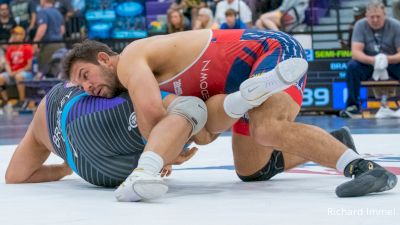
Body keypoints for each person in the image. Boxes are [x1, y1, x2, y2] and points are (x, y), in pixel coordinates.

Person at [63, 29, 397, 200]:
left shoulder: (132, 58)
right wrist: (178, 143)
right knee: (251, 169)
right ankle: (331, 141)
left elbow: (151, 115)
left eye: (84, 76)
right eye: (79, 86)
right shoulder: (139, 81)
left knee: (266, 129)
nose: (86, 88)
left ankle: (366, 169)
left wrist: (160, 157)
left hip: (268, 51)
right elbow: (194, 125)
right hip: (234, 86)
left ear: (105, 59)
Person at [5, 80, 360, 201]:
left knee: (191, 122)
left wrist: (67, 167)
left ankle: (230, 105)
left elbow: (16, 176)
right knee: (190, 115)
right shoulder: (81, 93)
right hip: (106, 143)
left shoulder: (41, 120)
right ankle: (234, 102)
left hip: (97, 167)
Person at [5, 82, 208, 201]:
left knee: (171, 126)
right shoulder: (60, 94)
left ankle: (163, 152)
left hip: (91, 169)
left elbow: (15, 176)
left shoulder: (36, 136)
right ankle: (165, 147)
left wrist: (64, 169)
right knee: (183, 113)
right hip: (83, 114)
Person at [341, 0, 400, 117]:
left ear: (385, 15)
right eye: (372, 17)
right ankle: (352, 106)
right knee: (352, 67)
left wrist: (386, 60)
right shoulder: (360, 25)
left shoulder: (396, 25)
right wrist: (374, 61)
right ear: (366, 16)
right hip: (368, 63)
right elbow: (355, 52)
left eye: (378, 16)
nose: (375, 20)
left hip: (391, 62)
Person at [0, 26, 34, 109]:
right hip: (12, 73)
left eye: (17, 34)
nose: (14, 36)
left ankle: (22, 101)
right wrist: (10, 72)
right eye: (13, 34)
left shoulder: (27, 47)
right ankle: (6, 101)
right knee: (0, 77)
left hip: (26, 73)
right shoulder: (10, 48)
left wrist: (16, 72)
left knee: (18, 76)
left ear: (22, 35)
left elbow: (29, 66)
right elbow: (7, 63)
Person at [33, 0, 65, 76]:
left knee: (44, 73)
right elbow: (62, 30)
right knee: (59, 72)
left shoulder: (43, 12)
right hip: (60, 44)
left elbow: (42, 28)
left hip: (48, 47)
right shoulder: (58, 12)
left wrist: (35, 42)